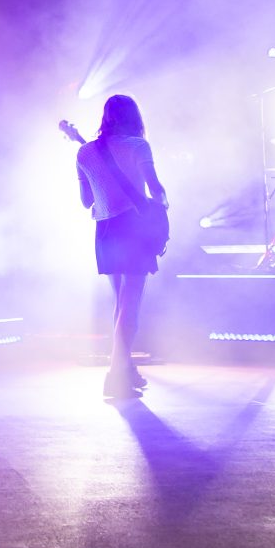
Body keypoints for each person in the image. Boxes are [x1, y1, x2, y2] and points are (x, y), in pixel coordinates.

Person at [76, 94, 169, 400]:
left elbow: (87, 201)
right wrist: (161, 205)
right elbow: (155, 188)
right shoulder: (138, 146)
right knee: (131, 307)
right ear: (134, 117)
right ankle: (115, 375)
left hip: (104, 230)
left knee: (119, 306)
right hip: (132, 227)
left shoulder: (84, 153)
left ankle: (125, 371)